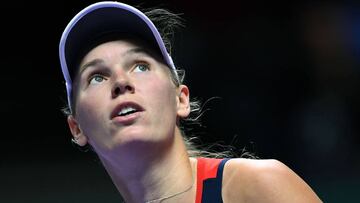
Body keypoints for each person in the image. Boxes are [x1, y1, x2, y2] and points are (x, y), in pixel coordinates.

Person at [59, 1, 323, 202]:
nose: (120, 82)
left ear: (180, 99)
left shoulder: (257, 187)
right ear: (77, 128)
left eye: (140, 66)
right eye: (96, 77)